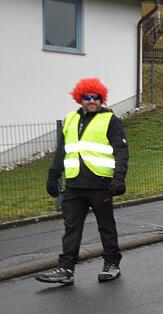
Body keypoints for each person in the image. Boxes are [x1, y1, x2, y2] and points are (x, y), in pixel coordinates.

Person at [35, 78, 128, 285]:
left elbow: (121, 150)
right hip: (74, 186)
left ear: (101, 98)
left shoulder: (110, 120)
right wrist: (53, 175)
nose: (92, 100)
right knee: (71, 227)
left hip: (101, 184)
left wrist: (119, 177)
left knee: (106, 226)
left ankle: (112, 263)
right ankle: (66, 268)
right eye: (87, 97)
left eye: (96, 97)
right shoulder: (70, 119)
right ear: (80, 98)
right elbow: (62, 151)